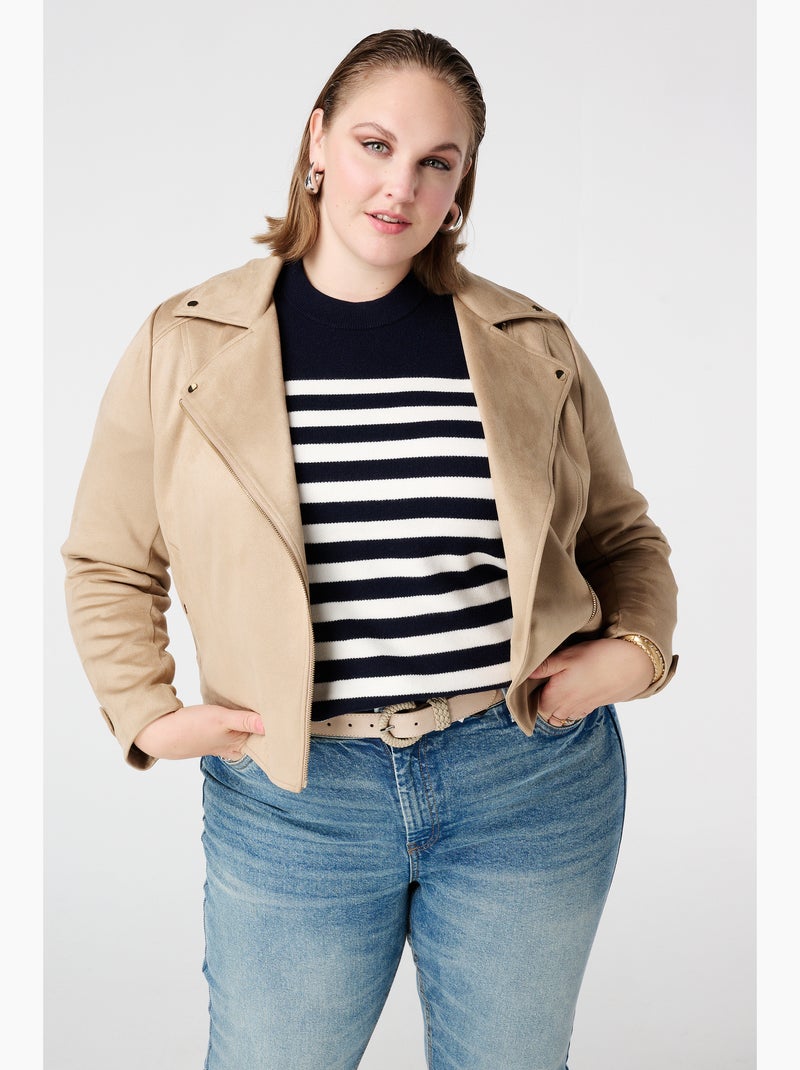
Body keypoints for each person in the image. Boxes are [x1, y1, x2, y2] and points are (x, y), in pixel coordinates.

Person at [62, 27, 678, 1070]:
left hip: (525, 776)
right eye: (374, 145)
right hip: (299, 796)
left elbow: (623, 536)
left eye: (437, 160)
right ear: (317, 140)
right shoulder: (187, 343)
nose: (401, 186)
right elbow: (110, 558)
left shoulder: (531, 344)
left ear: (462, 181)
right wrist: (144, 710)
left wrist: (635, 652)